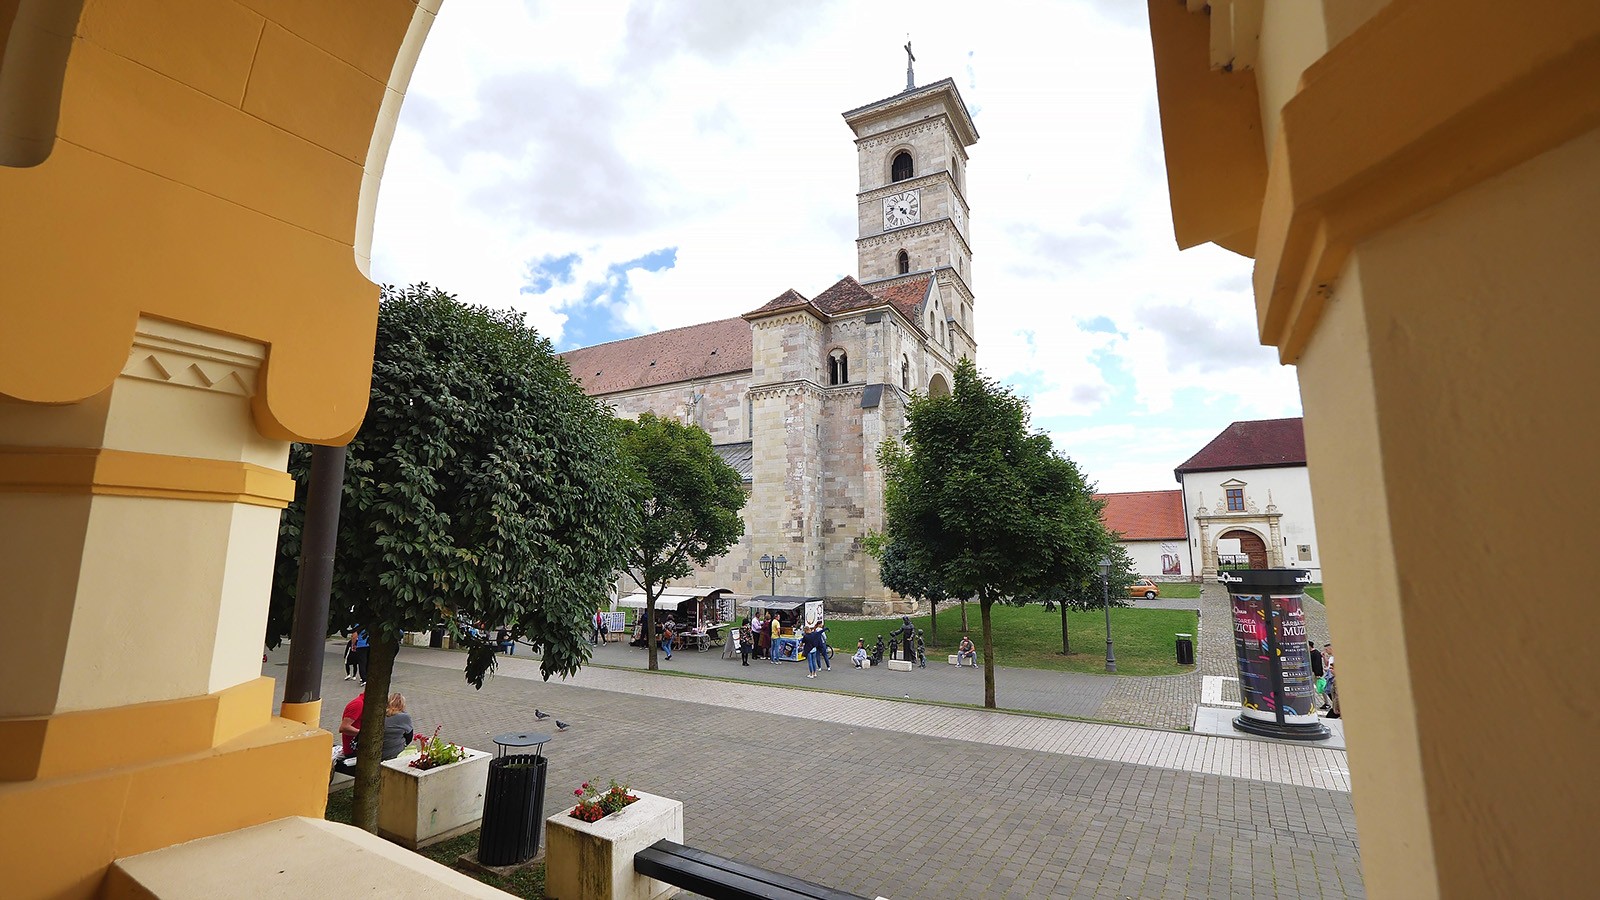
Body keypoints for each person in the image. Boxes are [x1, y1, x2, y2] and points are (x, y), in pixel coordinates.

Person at [330, 690, 364, 780]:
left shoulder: (366, 704)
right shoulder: (358, 704)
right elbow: (344, 728)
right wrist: (364, 733)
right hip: (352, 750)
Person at [381, 693, 414, 761]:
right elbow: (409, 737)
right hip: (396, 752)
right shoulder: (404, 717)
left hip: (380, 751)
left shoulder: (380, 714)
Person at [1323, 642, 1341, 718]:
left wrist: (1336, 708)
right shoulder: (1331, 658)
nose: (1326, 651)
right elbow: (1327, 664)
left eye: (1327, 649)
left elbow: (1338, 697)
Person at [1309, 641, 1327, 710]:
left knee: (1320, 687)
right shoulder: (1312, 653)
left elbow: (1318, 664)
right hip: (1312, 673)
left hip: (1315, 673)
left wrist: (1318, 673)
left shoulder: (1315, 653)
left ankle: (1327, 703)